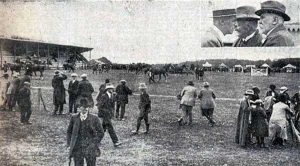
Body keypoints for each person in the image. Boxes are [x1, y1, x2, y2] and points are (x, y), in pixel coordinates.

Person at [67, 98, 104, 166]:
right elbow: (69, 132)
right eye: (84, 107)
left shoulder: (94, 118)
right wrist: (69, 144)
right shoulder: (74, 118)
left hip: (90, 147)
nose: (86, 109)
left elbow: (101, 132)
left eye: (87, 107)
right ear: (79, 107)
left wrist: (94, 142)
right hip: (78, 147)